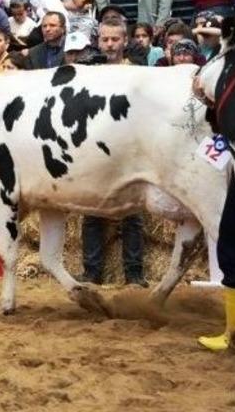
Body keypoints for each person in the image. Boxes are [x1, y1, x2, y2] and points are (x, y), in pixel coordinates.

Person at [77, 19, 147, 288]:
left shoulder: (138, 73)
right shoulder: (88, 73)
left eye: (114, 39)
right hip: (94, 149)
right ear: (98, 41)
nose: (109, 44)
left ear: (125, 41)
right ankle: (91, 272)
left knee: (133, 214)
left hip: (129, 150)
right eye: (105, 39)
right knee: (91, 211)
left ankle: (134, 275)